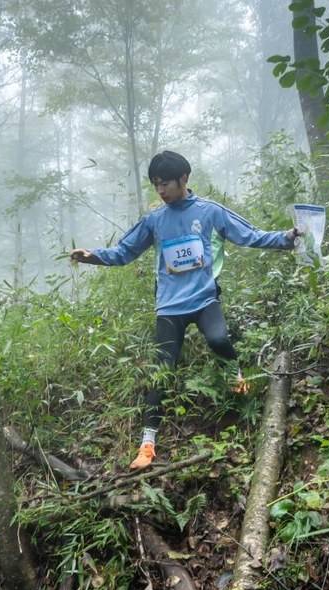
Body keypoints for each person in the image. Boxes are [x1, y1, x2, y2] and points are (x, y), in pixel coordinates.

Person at [70, 150, 301, 470]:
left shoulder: (209, 212)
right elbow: (124, 252)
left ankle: (234, 374)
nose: (161, 191)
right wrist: (92, 255)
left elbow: (248, 235)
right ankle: (147, 445)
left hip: (205, 299)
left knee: (219, 339)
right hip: (169, 307)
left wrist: (286, 238)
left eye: (165, 184)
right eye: (155, 185)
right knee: (160, 373)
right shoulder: (154, 220)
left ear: (184, 179)